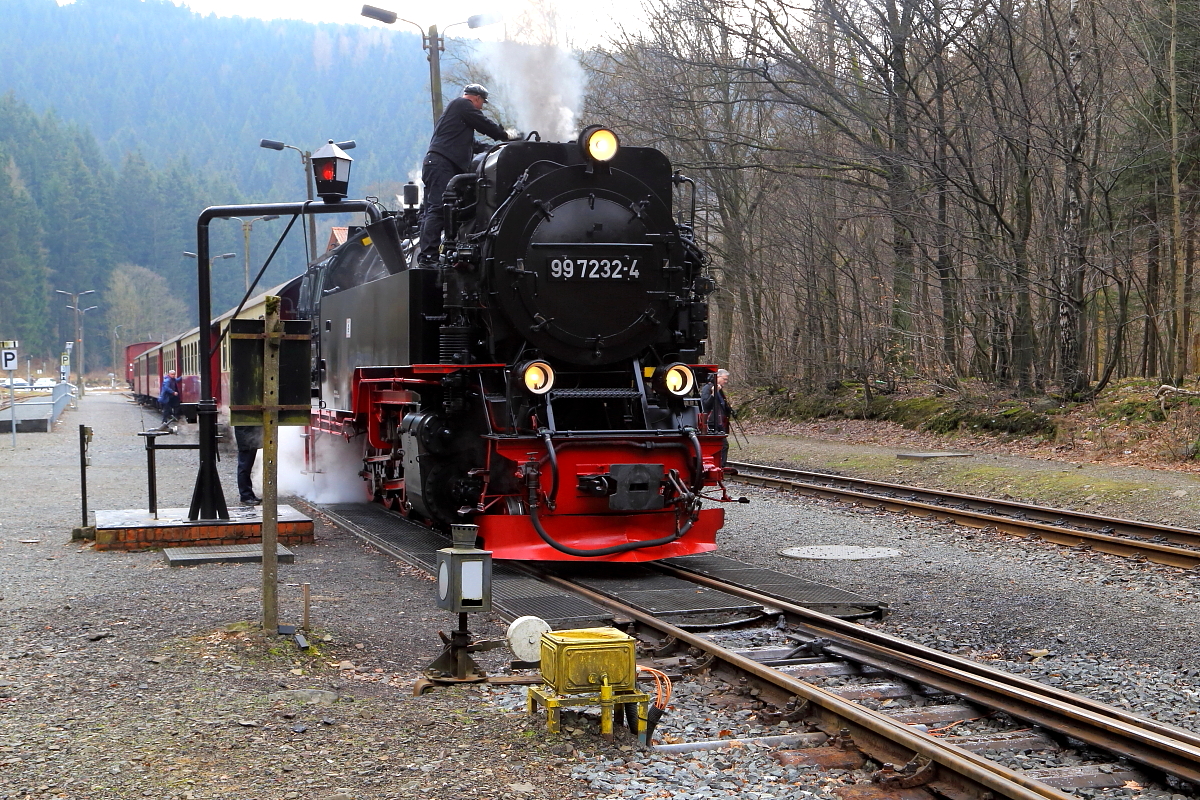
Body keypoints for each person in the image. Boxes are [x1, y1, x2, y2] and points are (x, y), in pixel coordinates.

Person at [417, 84, 512, 265]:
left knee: (437, 210)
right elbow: (484, 124)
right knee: (437, 210)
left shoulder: (457, 121)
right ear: (476, 98)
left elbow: (474, 146)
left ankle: (433, 254)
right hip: (441, 165)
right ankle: (428, 257)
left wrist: (497, 149)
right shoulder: (462, 105)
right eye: (482, 102)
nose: (482, 106)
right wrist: (505, 135)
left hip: (436, 164)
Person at [700, 369, 733, 466]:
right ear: (718, 377)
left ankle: (719, 466)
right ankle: (719, 466)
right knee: (723, 445)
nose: (725, 382)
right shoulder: (708, 388)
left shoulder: (719, 390)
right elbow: (705, 405)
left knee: (723, 445)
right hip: (711, 423)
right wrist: (713, 394)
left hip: (719, 423)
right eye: (724, 379)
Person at [235, 425, 263, 505]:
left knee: (246, 468)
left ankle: (249, 494)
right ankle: (245, 496)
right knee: (244, 468)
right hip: (246, 437)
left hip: (249, 436)